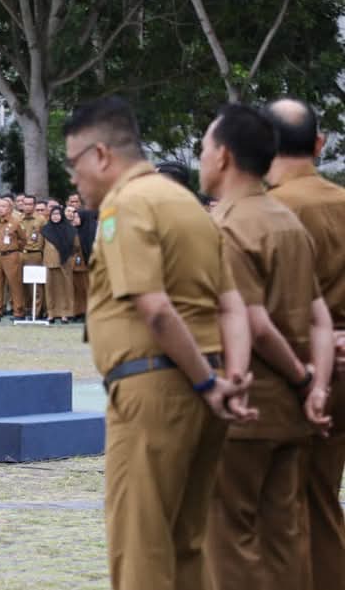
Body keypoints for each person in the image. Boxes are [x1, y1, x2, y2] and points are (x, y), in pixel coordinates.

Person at [63, 95, 255, 590]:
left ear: (101, 155)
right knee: (185, 545)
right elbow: (232, 305)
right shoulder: (190, 207)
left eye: (73, 164)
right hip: (203, 389)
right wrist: (231, 377)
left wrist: (208, 381)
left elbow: (155, 308)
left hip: (154, 388)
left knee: (140, 550)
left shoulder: (126, 205)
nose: (73, 179)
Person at [198, 103, 334, 590]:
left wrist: (301, 378)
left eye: (205, 147)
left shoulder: (226, 226)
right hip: (292, 413)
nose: (201, 157)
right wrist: (317, 386)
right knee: (286, 538)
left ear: (224, 157)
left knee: (228, 539)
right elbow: (319, 317)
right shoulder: (285, 220)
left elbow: (253, 322)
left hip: (247, 406)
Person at [264, 97, 345, 586]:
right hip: (340, 371)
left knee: (277, 509)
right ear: (320, 144)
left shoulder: (264, 210)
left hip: (288, 373)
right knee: (321, 499)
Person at [0, 197, 26, 322]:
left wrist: (14, 249)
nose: (1, 209)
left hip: (11, 255)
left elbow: (23, 240)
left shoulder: (16, 222)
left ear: (10, 209)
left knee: (14, 284)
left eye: (4, 206)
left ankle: (18, 311)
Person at [41, 205, 76, 324]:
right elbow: (40, 246)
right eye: (53, 214)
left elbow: (75, 246)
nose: (55, 217)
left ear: (62, 215)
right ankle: (51, 313)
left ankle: (64, 313)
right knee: (50, 288)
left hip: (64, 263)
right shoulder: (45, 229)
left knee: (64, 288)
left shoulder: (69, 229)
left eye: (58, 214)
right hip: (49, 263)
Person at [21, 198, 47, 319]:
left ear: (34, 205)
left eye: (30, 204)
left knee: (35, 284)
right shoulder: (18, 218)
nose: (27, 206)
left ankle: (37, 312)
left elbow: (46, 237)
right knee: (22, 284)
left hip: (34, 253)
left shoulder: (41, 220)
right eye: (25, 204)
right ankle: (25, 310)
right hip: (20, 253)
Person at [68, 205, 90, 321]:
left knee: (85, 289)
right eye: (74, 217)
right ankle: (76, 311)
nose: (75, 219)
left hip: (85, 265)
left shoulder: (88, 230)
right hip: (72, 265)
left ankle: (87, 311)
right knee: (74, 290)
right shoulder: (72, 231)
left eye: (77, 217)